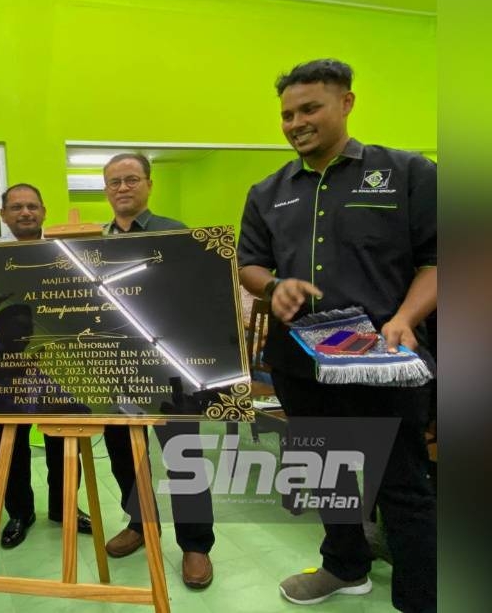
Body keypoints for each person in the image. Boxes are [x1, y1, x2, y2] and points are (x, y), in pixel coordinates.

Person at [237, 58, 436, 611]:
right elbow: (248, 262)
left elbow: (440, 260)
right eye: (286, 114)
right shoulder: (267, 191)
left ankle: (422, 598)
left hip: (384, 358)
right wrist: (273, 285)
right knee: (326, 474)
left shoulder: (406, 173)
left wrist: (404, 318)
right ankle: (345, 566)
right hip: (300, 362)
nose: (295, 122)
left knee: (400, 484)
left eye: (309, 108)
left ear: (346, 103)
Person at [99, 153, 216, 590]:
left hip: (171, 370)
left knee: (183, 456)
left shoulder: (178, 235)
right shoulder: (94, 242)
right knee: (124, 453)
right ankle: (140, 523)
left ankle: (196, 544)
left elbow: (203, 298)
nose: (122, 187)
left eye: (131, 179)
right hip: (115, 369)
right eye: (114, 182)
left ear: (149, 184)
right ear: (106, 189)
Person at [0, 184, 93, 549]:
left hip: (56, 363)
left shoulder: (64, 255)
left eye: (32, 206)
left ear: (44, 211)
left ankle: (65, 507)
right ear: (3, 215)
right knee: (10, 444)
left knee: (64, 440)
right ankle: (20, 513)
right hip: (6, 366)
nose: (25, 212)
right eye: (16, 207)